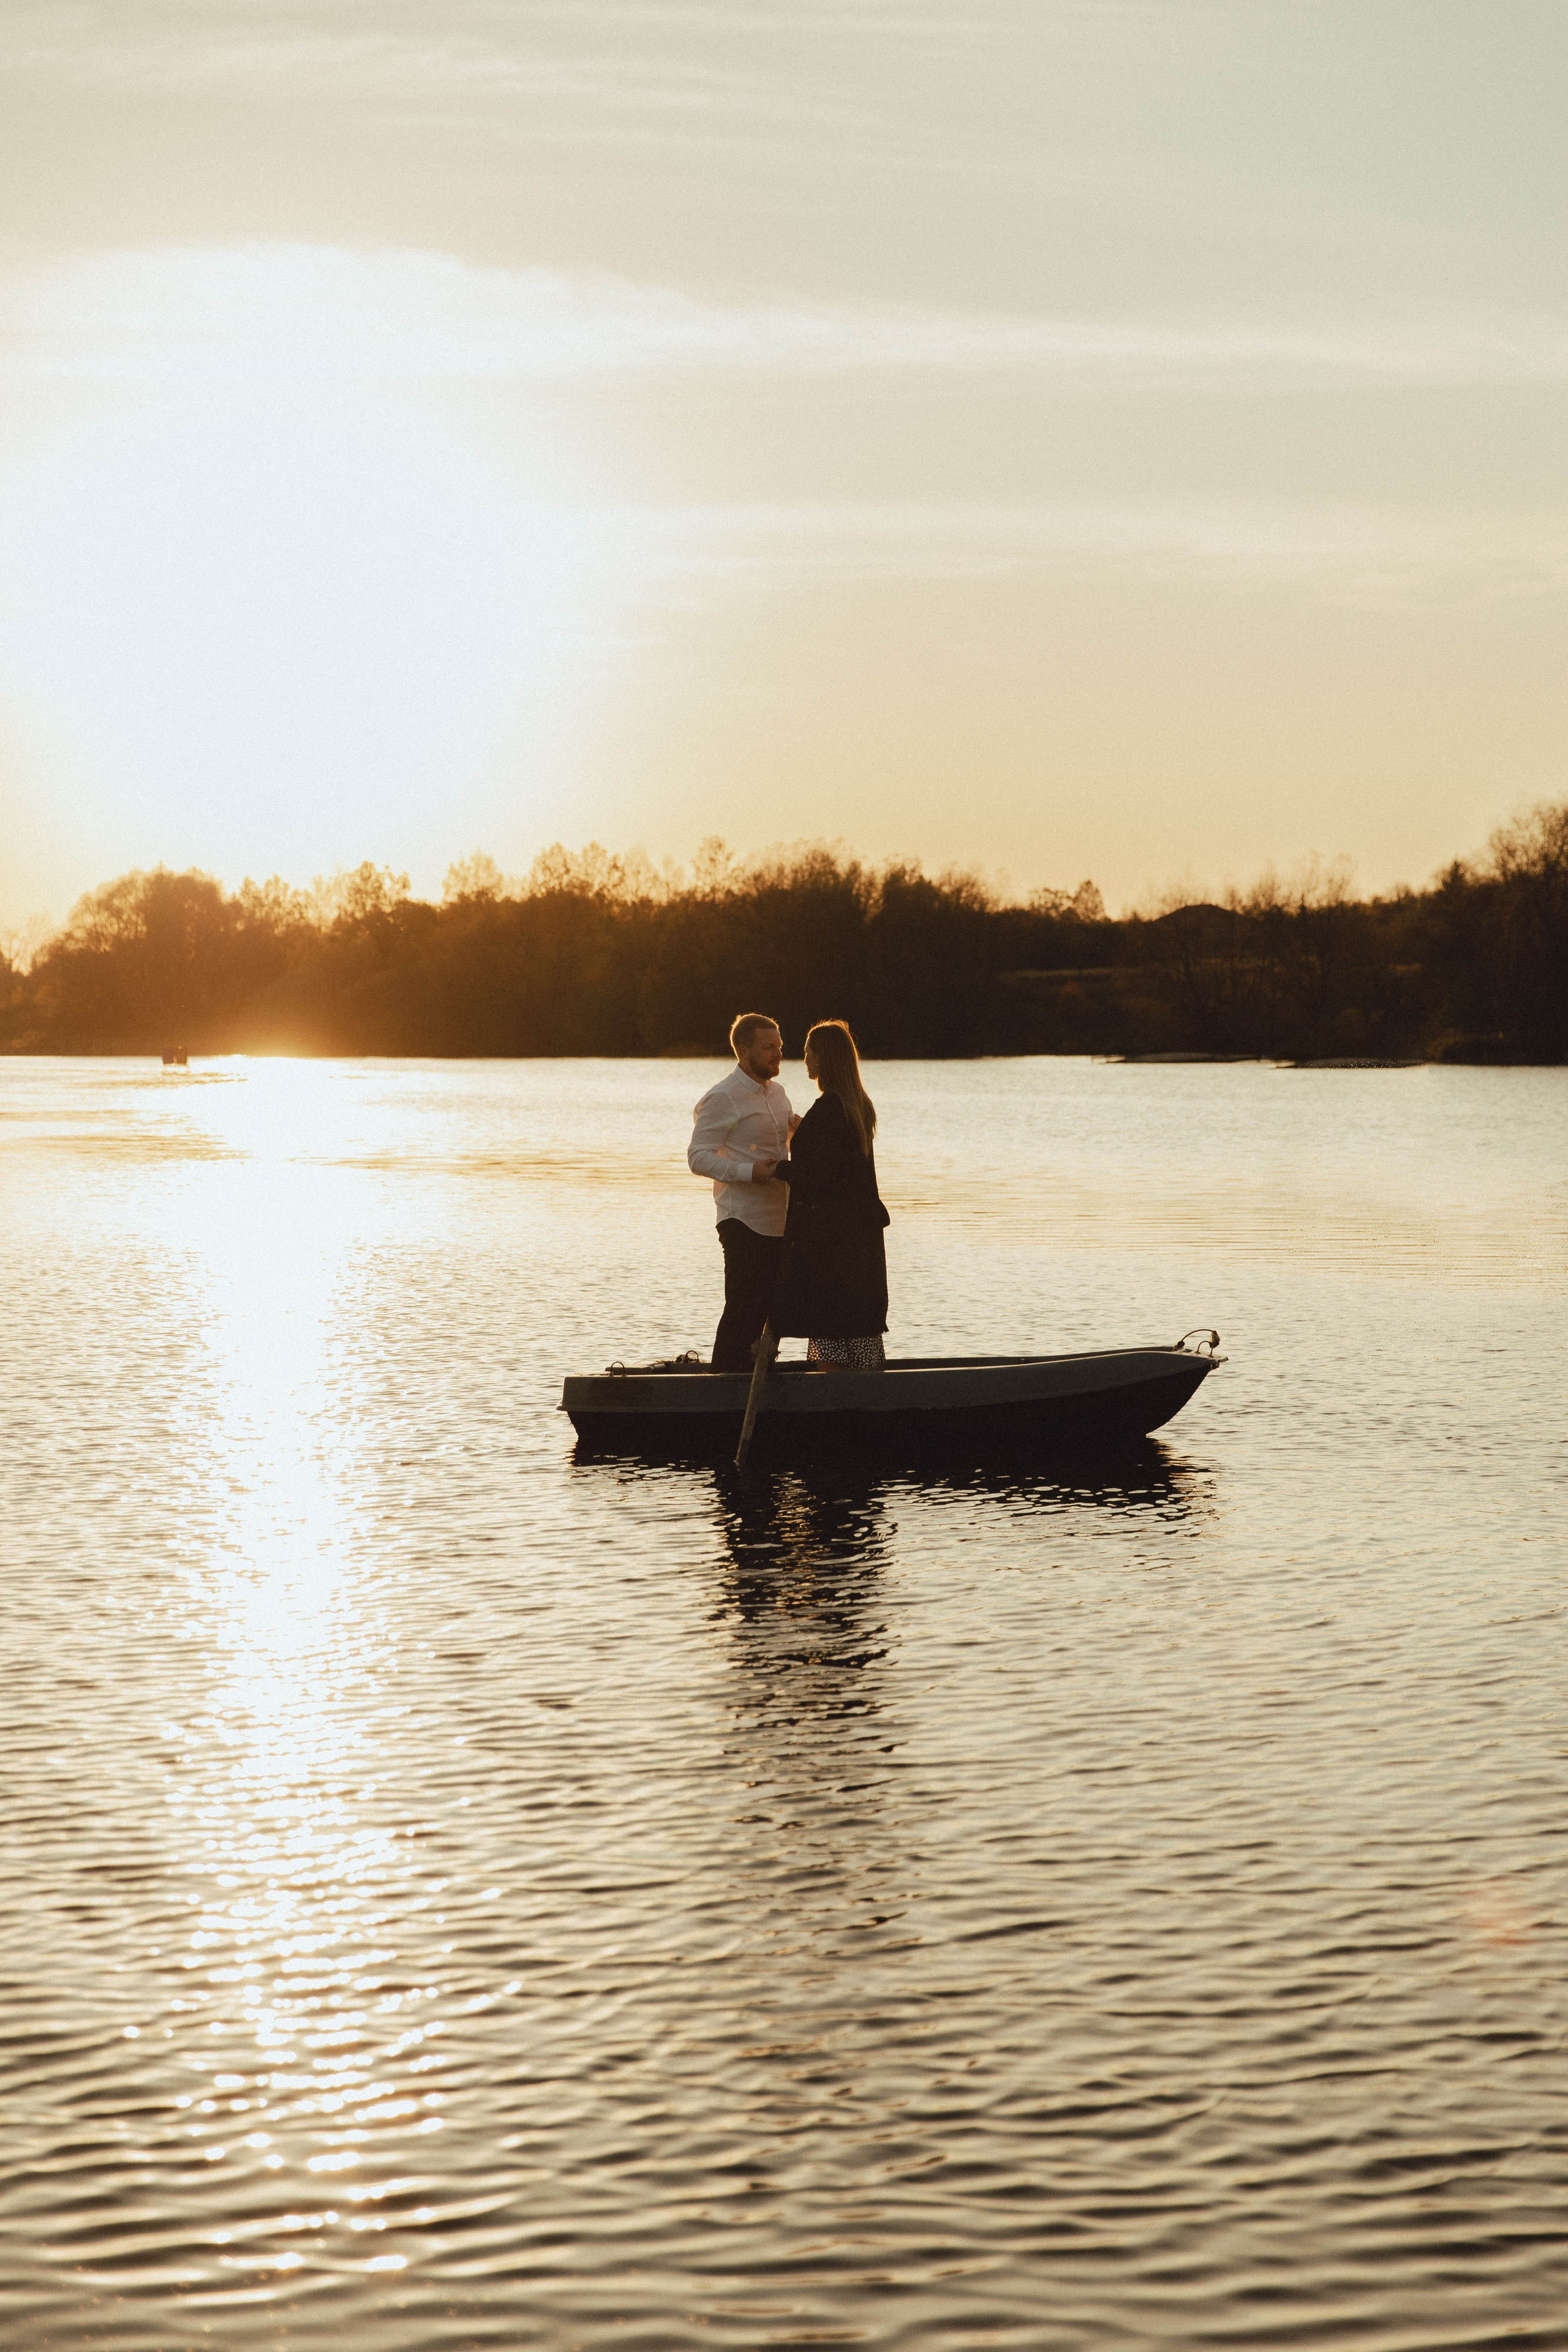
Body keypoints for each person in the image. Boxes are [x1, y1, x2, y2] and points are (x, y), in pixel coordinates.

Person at [769, 1019, 889, 1370]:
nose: (805, 1059)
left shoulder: (828, 1109)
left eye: (809, 1052)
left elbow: (819, 1177)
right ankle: (865, 1392)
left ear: (824, 1058)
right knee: (857, 1326)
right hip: (858, 1236)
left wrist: (777, 1168)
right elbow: (840, 1166)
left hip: (833, 1239)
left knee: (832, 1326)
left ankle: (837, 1394)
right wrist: (802, 1140)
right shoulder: (856, 1105)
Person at [688, 1013, 796, 1374]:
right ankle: (723, 1385)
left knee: (774, 1311)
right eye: (768, 1048)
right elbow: (698, 1157)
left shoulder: (778, 1094)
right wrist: (749, 1172)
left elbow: (777, 1144)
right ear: (744, 1050)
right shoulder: (723, 1097)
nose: (778, 1054)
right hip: (742, 1220)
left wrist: (799, 1132)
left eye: (779, 1046)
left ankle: (756, 1379)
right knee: (743, 1310)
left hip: (781, 1219)